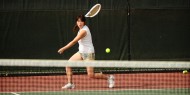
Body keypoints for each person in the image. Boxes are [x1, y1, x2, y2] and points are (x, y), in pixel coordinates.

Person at [58, 15, 115, 89]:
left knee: (91, 75)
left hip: (88, 54)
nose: (79, 23)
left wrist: (63, 48)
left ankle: (109, 78)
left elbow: (74, 41)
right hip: (81, 53)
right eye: (78, 21)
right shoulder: (80, 29)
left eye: (81, 21)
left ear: (84, 22)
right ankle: (70, 83)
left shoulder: (84, 30)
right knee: (68, 65)